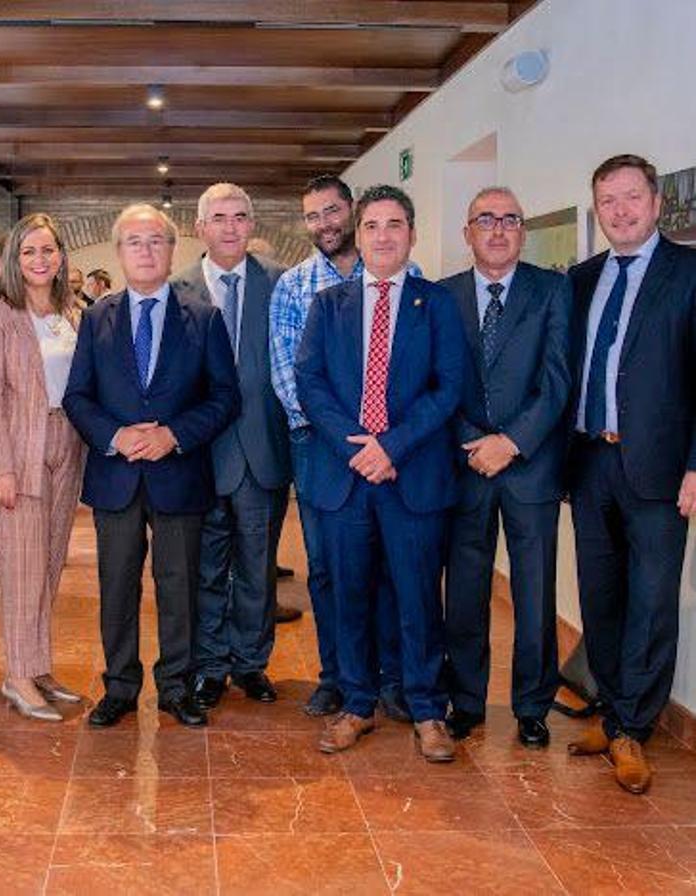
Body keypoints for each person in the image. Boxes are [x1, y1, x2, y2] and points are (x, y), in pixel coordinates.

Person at [295, 184, 465, 762]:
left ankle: (425, 709)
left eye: (395, 225)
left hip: (410, 474)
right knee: (349, 593)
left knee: (418, 595)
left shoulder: (435, 303)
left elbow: (448, 388)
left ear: (411, 235)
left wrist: (390, 446)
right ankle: (357, 703)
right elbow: (310, 385)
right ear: (358, 234)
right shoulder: (329, 305)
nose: (383, 235)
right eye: (372, 225)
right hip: (345, 480)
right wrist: (358, 451)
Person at [63, 204, 240, 729]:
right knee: (116, 586)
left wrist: (174, 435)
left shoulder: (204, 317)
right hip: (115, 475)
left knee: (179, 585)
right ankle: (119, 687)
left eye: (156, 241)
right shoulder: (96, 317)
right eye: (134, 242)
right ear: (119, 253)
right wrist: (115, 436)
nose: (145, 250)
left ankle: (176, 687)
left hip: (179, 474)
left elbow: (225, 397)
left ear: (171, 251)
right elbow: (78, 396)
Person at [565, 154, 696, 795]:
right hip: (590, 462)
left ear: (656, 203)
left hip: (661, 470)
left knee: (651, 603)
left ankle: (634, 731)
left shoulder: (689, 273)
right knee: (602, 599)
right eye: (608, 201)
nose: (620, 210)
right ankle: (612, 711)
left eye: (631, 198)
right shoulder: (582, 277)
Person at [269, 175, 412, 720]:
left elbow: (413, 372)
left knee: (390, 564)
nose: (325, 224)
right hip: (318, 447)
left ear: (351, 211)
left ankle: (390, 676)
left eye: (332, 212)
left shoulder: (411, 277)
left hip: (393, 450)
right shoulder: (294, 287)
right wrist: (348, 439)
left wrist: (385, 442)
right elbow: (290, 377)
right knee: (327, 568)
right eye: (312, 216)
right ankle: (336, 675)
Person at [439, 187, 570, 748]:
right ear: (467, 232)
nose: (497, 229)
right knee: (465, 589)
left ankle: (532, 705)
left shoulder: (552, 290)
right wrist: (475, 441)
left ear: (524, 230)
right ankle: (466, 701)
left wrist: (511, 442)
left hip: (530, 465)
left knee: (535, 592)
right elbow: (434, 385)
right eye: (484, 220)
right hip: (466, 465)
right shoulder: (442, 298)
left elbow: (559, 380)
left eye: (509, 219)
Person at [0, 213, 86, 721]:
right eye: (29, 251)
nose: (40, 259)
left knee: (50, 562)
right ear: (13, 259)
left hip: (65, 445)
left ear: (61, 258)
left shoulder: (68, 310)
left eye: (48, 250)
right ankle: (16, 676)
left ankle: (38, 666)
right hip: (14, 449)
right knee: (21, 567)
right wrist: (1, 468)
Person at [170, 183, 289, 709]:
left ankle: (251, 663)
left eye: (240, 217)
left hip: (263, 449)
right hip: (199, 454)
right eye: (219, 218)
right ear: (200, 227)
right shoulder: (177, 289)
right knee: (206, 567)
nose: (231, 227)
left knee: (258, 565)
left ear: (252, 224)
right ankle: (210, 664)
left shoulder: (281, 285)